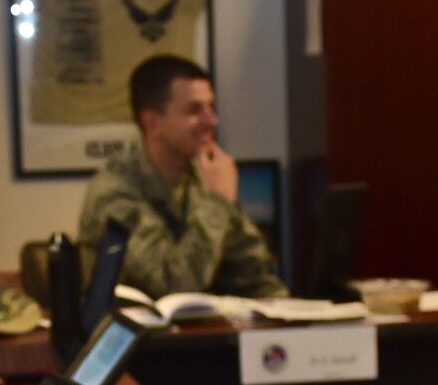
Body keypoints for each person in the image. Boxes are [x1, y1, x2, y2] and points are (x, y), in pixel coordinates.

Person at [76, 54, 288, 300]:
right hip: (136, 334)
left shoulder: (201, 178)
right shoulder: (114, 190)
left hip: (208, 330)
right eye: (195, 110)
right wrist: (217, 203)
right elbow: (173, 284)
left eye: (211, 107)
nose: (212, 121)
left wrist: (291, 315)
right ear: (152, 122)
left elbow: (252, 272)